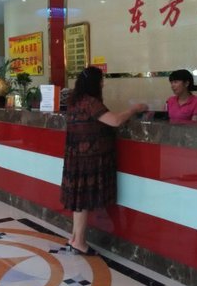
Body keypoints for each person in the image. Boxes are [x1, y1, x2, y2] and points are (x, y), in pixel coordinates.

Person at [60, 66, 147, 255]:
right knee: (83, 201)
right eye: (101, 81)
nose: (103, 84)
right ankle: (79, 242)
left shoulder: (75, 100)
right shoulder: (90, 102)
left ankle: (74, 238)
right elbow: (115, 121)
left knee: (79, 200)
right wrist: (134, 109)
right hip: (88, 159)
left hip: (76, 157)